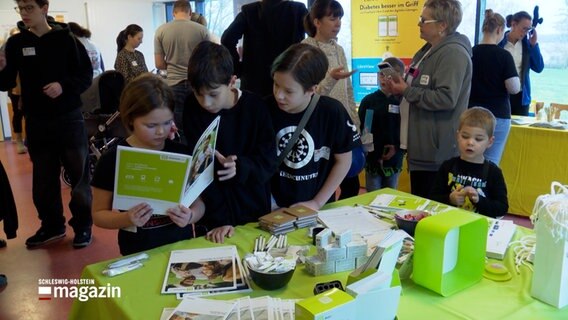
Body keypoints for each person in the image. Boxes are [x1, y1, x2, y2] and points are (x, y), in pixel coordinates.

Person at [0, 0, 94, 249]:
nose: (24, 13)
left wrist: (63, 86)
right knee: (43, 179)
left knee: (79, 176)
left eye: (29, 7)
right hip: (37, 121)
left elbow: (85, 75)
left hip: (69, 118)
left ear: (44, 8)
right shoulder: (16, 43)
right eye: (20, 8)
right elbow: (5, 81)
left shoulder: (67, 39)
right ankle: (52, 226)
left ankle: (83, 226)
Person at [91, 73, 205, 255]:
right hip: (137, 252)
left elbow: (199, 203)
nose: (161, 131)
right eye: (151, 126)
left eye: (167, 123)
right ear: (130, 120)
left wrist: (190, 216)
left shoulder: (182, 153)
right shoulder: (112, 159)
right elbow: (98, 214)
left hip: (181, 247)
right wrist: (126, 218)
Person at [182, 41, 275, 244]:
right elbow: (196, 170)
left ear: (232, 82)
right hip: (211, 216)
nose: (206, 102)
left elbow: (268, 161)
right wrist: (219, 220)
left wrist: (240, 167)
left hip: (253, 212)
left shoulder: (255, 108)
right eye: (199, 94)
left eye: (213, 94)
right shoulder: (191, 107)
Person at [384, 0, 472, 198]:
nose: (419, 24)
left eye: (424, 20)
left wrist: (407, 91)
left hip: (435, 152)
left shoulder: (453, 53)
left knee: (431, 210)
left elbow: (446, 98)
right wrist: (401, 89)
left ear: (442, 25)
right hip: (421, 146)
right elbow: (416, 90)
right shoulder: (427, 51)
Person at [268, 43, 358, 210]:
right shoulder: (264, 109)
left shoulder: (332, 112)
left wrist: (317, 202)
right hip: (271, 208)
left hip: (318, 208)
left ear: (312, 89)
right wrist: (271, 204)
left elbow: (344, 161)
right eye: (276, 85)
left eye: (288, 91)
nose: (279, 95)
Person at [302, 0, 361, 199]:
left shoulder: (339, 50)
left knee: (351, 185)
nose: (338, 23)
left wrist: (355, 121)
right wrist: (330, 79)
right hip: (319, 126)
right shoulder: (305, 49)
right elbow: (306, 96)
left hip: (342, 125)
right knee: (325, 188)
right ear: (317, 22)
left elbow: (348, 90)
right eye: (332, 18)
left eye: (340, 18)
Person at [430, 107, 509, 218]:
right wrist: (449, 199)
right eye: (465, 136)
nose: (470, 142)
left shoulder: (493, 172)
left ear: (490, 142)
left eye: (478, 139)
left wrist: (479, 200)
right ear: (458, 136)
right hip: (450, 223)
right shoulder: (447, 166)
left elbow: (502, 208)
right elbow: (432, 198)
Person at [221, 0, 307, 98]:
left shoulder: (249, 11)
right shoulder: (298, 10)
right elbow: (314, 34)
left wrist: (238, 68)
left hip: (254, 81)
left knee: (254, 111)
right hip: (289, 79)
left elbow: (227, 39)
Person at [469, 10, 520, 165]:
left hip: (471, 114)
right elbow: (514, 88)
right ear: (499, 30)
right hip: (498, 115)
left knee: (468, 159)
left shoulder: (470, 52)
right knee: (490, 163)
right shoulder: (504, 56)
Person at [155, 0, 210, 143]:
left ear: (173, 13)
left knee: (177, 127)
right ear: (190, 13)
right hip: (197, 83)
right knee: (199, 123)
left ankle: (180, 159)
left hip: (173, 83)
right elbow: (208, 61)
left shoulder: (161, 31)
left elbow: (159, 64)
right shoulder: (202, 30)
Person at [358, 57, 405, 191]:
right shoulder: (368, 101)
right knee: (372, 196)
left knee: (390, 195)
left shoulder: (402, 102)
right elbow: (363, 129)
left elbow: (404, 130)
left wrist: (396, 148)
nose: (385, 79)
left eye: (390, 75)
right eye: (382, 75)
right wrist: (370, 153)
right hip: (373, 160)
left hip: (394, 159)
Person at [498, 11, 544, 116]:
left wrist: (534, 45)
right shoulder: (500, 43)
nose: (525, 32)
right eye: (524, 28)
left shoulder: (527, 45)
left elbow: (539, 67)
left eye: (528, 29)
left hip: (522, 98)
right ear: (513, 24)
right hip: (501, 95)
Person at [3, 28, 26, 154]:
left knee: (31, 114)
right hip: (14, 88)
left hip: (29, 87)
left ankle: (29, 139)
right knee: (17, 113)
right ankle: (18, 140)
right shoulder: (7, 52)